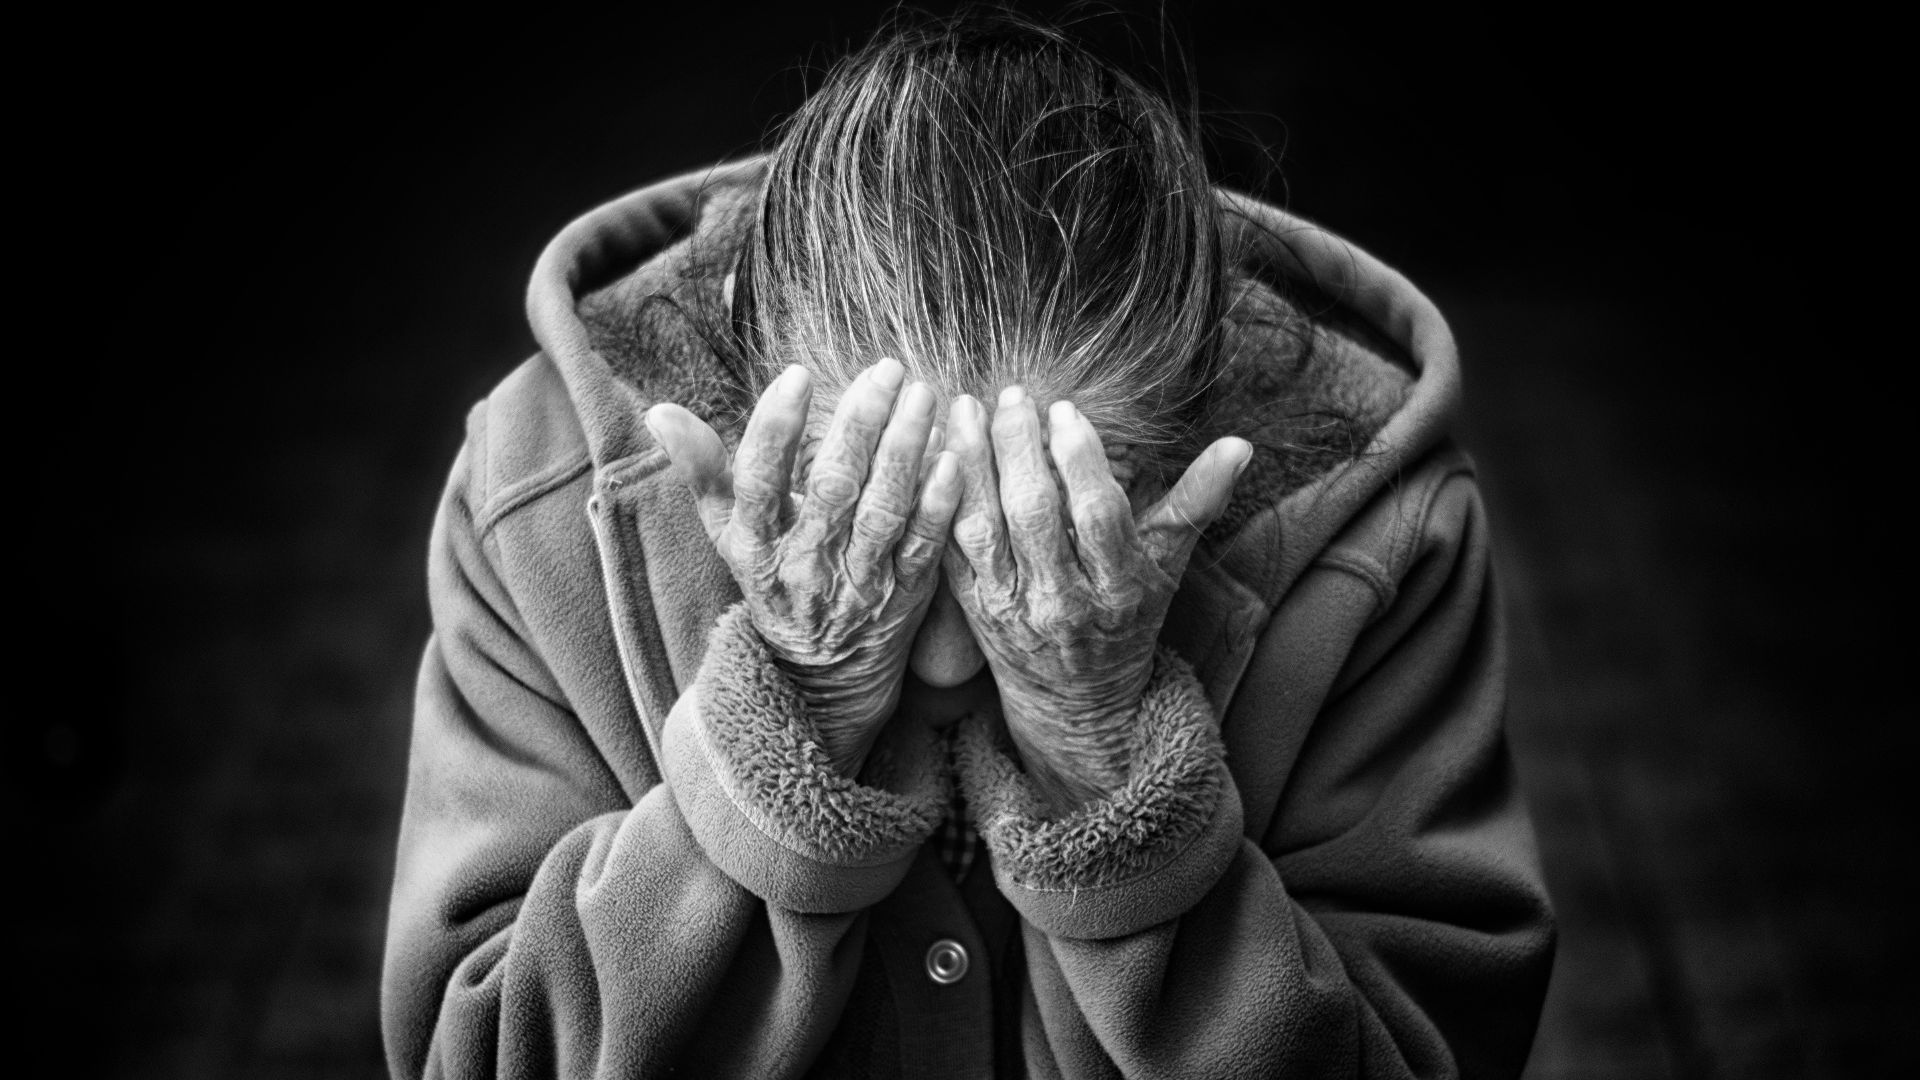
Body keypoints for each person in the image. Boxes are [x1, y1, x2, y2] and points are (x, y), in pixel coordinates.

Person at [381, 14, 1554, 1079]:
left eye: (1046, 533)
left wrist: (1106, 766)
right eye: (870, 526)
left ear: (1209, 415)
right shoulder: (536, 495)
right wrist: (785, 720)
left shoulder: (1388, 535)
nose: (944, 662)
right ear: (748, 388)